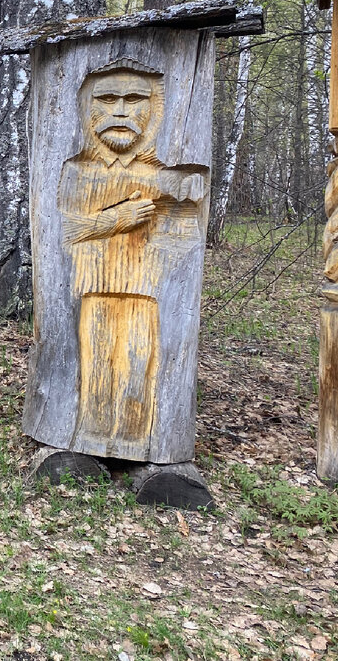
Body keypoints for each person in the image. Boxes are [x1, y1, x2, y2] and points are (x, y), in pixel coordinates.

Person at [58, 58, 205, 457]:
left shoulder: (157, 172)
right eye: (106, 98)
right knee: (99, 361)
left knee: (139, 362)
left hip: (144, 283)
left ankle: (137, 438)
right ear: (87, 108)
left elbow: (184, 192)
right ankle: (91, 434)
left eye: (134, 99)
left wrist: (184, 187)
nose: (120, 111)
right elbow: (66, 229)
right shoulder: (75, 171)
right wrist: (118, 218)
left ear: (154, 108)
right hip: (95, 283)